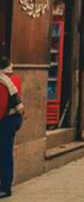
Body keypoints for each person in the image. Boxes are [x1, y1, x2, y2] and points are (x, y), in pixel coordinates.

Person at [0, 56, 24, 198]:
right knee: (5, 153)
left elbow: (1, 106)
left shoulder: (2, 81)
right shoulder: (14, 78)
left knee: (4, 154)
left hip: (6, 121)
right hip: (14, 119)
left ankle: (5, 187)